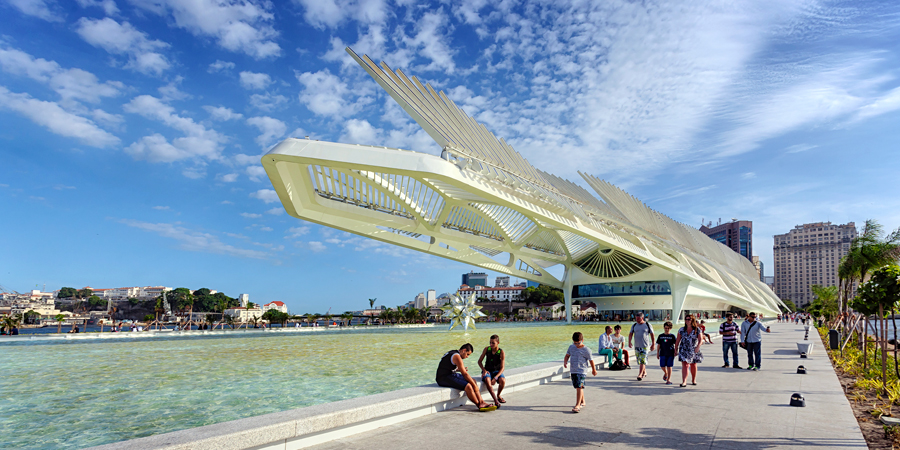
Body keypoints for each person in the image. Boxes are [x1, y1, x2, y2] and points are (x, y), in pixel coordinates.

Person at [435, 343, 494, 410]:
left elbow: (446, 366)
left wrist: (458, 369)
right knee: (469, 386)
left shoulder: (454, 352)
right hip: (443, 378)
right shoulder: (457, 356)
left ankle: (482, 401)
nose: (467, 357)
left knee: (473, 380)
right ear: (464, 350)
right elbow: (465, 374)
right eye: (467, 354)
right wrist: (474, 386)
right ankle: (479, 404)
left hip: (450, 374)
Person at [564, 331, 596, 413]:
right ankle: (583, 401)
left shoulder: (586, 350)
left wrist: (594, 369)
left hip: (582, 371)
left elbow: (591, 360)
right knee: (577, 386)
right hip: (573, 370)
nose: (576, 345)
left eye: (578, 343)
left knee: (579, 387)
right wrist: (565, 362)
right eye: (575, 343)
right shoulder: (571, 347)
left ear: (582, 340)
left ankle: (577, 405)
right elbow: (567, 355)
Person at [478, 334, 507, 405]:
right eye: (490, 342)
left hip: (497, 371)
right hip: (487, 370)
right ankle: (495, 400)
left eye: (493, 343)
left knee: (502, 380)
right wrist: (484, 371)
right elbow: (479, 361)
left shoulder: (501, 352)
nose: (491, 344)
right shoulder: (486, 349)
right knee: (488, 380)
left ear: (498, 343)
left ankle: (498, 395)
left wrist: (495, 377)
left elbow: (502, 368)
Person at [675, 314, 703, 387]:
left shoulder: (697, 330)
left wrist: (698, 347)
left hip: (693, 349)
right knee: (685, 364)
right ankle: (684, 381)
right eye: (686, 319)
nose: (687, 321)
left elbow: (700, 340)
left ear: (692, 320)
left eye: (689, 319)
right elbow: (677, 340)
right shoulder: (682, 330)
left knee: (693, 364)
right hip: (684, 349)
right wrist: (676, 349)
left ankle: (693, 379)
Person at [628, 312, 655, 381]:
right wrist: (629, 342)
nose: (637, 320)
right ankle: (644, 371)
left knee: (643, 360)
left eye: (638, 319)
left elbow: (652, 335)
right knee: (640, 361)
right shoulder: (634, 325)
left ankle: (640, 374)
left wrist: (653, 344)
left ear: (642, 318)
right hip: (637, 346)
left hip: (645, 346)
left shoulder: (648, 325)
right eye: (636, 318)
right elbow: (631, 334)